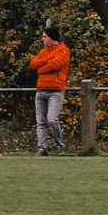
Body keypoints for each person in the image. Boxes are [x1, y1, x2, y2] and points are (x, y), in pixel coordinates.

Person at [30, 22, 71, 156]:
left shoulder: (64, 51)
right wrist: (47, 59)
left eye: (44, 36)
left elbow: (54, 65)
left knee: (52, 119)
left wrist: (42, 66)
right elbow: (33, 63)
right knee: (40, 121)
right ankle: (42, 148)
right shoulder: (43, 51)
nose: (42, 39)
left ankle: (60, 145)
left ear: (51, 37)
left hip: (55, 90)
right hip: (41, 90)